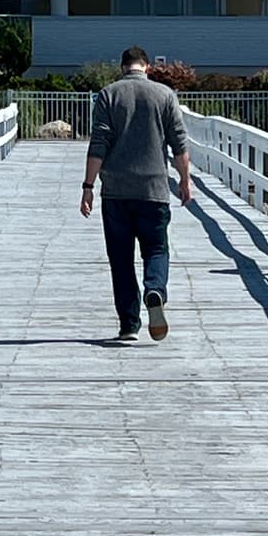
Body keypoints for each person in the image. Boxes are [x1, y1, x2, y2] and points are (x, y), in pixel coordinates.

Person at [80, 46, 192, 343]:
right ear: (147, 67)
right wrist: (185, 180)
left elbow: (99, 141)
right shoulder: (165, 95)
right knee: (156, 249)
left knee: (121, 259)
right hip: (154, 189)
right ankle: (155, 289)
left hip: (116, 192)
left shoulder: (108, 94)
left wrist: (88, 187)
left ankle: (129, 324)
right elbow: (179, 143)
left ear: (123, 68)